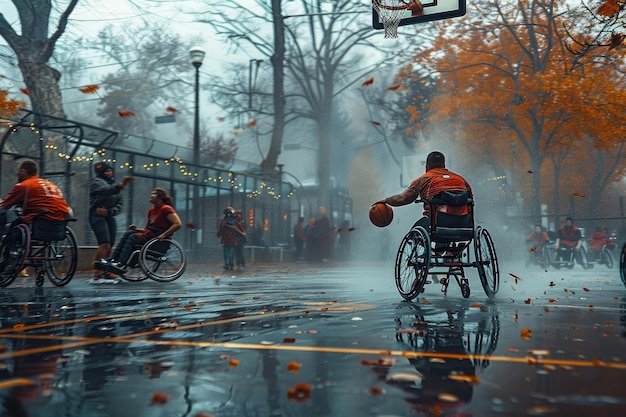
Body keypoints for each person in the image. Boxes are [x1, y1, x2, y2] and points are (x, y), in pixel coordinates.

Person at [93, 188, 182, 280]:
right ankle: (113, 259)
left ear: (160, 198)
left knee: (133, 237)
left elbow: (178, 223)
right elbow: (147, 229)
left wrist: (164, 235)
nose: (151, 195)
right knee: (129, 233)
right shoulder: (152, 210)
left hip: (158, 238)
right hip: (149, 235)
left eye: (154, 194)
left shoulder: (166, 209)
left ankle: (120, 263)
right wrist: (137, 229)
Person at [376, 151, 472, 230]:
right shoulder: (461, 180)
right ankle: (451, 251)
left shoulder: (424, 179)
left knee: (416, 231)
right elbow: (470, 198)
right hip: (463, 223)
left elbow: (403, 198)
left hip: (437, 223)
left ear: (427, 167)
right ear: (444, 165)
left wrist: (386, 200)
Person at [89, 162, 134, 283]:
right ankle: (97, 274)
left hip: (109, 216)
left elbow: (120, 204)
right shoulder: (96, 182)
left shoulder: (113, 185)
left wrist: (109, 211)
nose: (109, 173)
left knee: (110, 247)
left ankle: (106, 272)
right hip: (96, 215)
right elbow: (106, 191)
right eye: (106, 171)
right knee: (104, 245)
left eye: (110, 170)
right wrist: (121, 185)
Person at [0, 159, 72, 225]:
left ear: (23, 172)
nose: (17, 174)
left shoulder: (24, 185)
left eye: (18, 171)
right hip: (60, 223)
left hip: (40, 220)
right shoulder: (52, 185)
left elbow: (4, 206)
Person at [217, 206, 245, 271]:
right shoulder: (223, 222)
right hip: (226, 240)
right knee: (227, 254)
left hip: (232, 240)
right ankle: (228, 264)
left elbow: (240, 230)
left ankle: (230, 264)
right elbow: (220, 231)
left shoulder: (235, 221)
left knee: (230, 254)